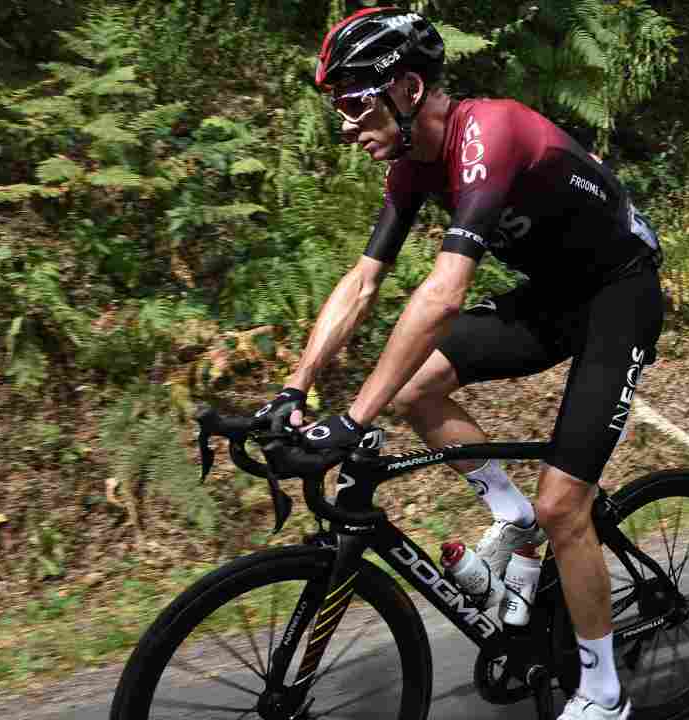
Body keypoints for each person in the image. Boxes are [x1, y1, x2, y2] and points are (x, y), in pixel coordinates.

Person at [254, 8, 663, 718]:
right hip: (554, 299)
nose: (345, 124)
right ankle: (515, 522)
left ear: (409, 88)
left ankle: (604, 693)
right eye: (337, 108)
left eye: (353, 102)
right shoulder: (412, 167)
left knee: (566, 504)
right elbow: (362, 283)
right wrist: (294, 390)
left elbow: (444, 292)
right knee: (416, 390)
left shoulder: (489, 133)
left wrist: (351, 419)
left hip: (620, 295)